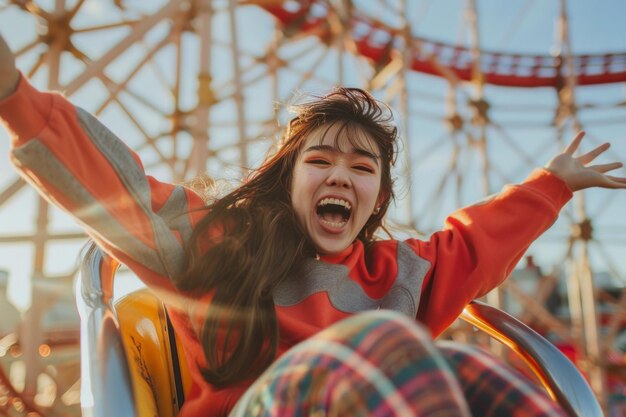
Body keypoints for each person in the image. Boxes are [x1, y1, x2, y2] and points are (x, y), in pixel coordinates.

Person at [1, 33, 625, 417]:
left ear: (376, 195)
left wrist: (555, 183)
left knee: (475, 374)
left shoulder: (401, 275)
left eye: (362, 166)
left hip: (384, 397)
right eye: (319, 160)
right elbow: (117, 188)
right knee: (387, 345)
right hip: (267, 405)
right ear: (289, 178)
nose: (339, 176)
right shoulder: (221, 244)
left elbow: (476, 242)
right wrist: (14, 96)